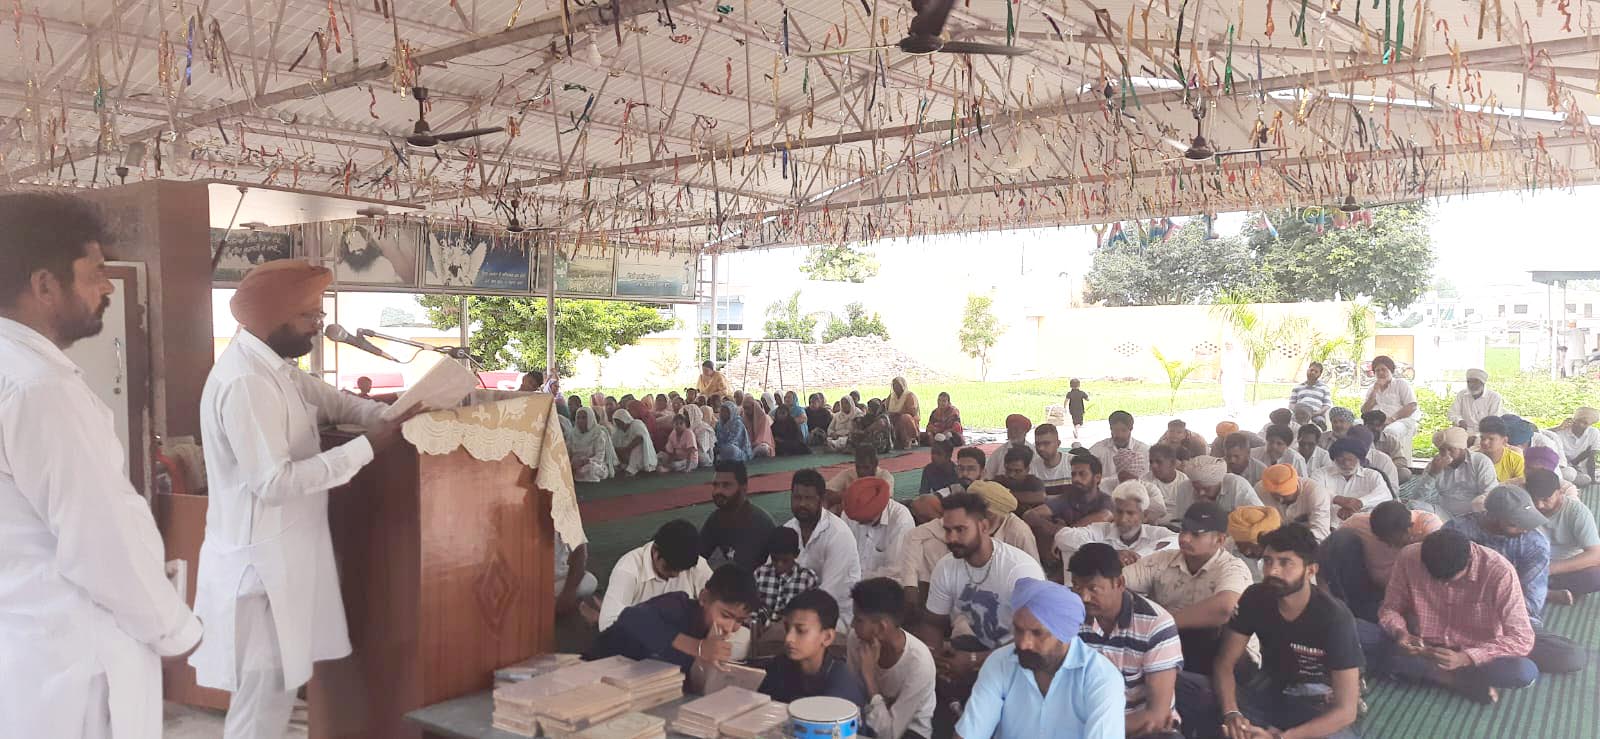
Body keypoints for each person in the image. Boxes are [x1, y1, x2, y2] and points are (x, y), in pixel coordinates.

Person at [190, 259, 423, 739]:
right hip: (258, 574)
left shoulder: (271, 367)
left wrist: (384, 414)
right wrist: (367, 448)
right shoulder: (247, 381)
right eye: (309, 314)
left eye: (318, 312)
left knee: (274, 695)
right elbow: (273, 483)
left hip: (278, 564)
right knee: (260, 704)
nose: (319, 323)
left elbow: (330, 399)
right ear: (273, 316)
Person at [0, 194, 204, 739]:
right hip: (73, 666)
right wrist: (177, 629)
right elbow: (101, 541)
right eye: (94, 274)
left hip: (26, 656)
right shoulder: (40, 389)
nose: (107, 288)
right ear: (45, 286)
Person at [1211, 525, 1363, 739]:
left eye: (1285, 563)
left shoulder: (1335, 617)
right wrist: (1232, 713)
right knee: (1201, 693)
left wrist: (1282, 737)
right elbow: (1225, 663)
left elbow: (1346, 711)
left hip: (1320, 705)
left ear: (1310, 570)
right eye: (1268, 561)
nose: (1272, 571)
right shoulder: (1255, 598)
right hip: (1271, 694)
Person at [1375, 529, 1537, 704]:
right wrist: (1401, 633)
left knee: (1522, 671)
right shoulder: (1409, 558)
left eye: (1450, 579)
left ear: (1469, 561)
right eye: (1435, 579)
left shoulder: (1499, 572)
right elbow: (1390, 608)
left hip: (1474, 650)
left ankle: (1430, 673)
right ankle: (1452, 679)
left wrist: (1466, 658)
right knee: (1361, 635)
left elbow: (1522, 638)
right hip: (1423, 646)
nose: (1442, 584)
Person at [954, 578, 1125, 739]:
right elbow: (970, 734)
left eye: (1037, 633)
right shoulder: (1000, 663)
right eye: (1019, 630)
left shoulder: (1101, 678)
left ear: (1064, 634)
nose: (1023, 644)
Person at [1446, 485, 1587, 676]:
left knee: (1570, 656)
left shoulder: (1534, 543)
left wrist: (1499, 628)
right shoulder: (1455, 531)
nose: (1525, 528)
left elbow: (1530, 603)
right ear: (1492, 517)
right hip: (1456, 614)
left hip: (1507, 618)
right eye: (1516, 523)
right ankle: (1477, 658)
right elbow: (1437, 582)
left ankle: (1469, 657)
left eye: (1527, 521)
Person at [919, 493, 1047, 703]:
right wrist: (935, 656)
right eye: (947, 530)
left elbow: (1038, 638)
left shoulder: (1018, 570)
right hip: (985, 646)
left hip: (1026, 654)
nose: (951, 538)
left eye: (960, 530)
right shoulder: (946, 567)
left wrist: (974, 660)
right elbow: (933, 622)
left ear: (984, 526)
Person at [1122, 503, 1254, 677]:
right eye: (1183, 530)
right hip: (1176, 646)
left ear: (1220, 540)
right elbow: (1118, 582)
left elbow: (1225, 608)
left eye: (1195, 534)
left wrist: (1160, 625)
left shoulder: (1233, 568)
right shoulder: (1162, 560)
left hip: (1228, 661)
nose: (1184, 538)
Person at [1069, 544, 1184, 739]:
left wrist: (1094, 731)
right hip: (1083, 722)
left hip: (1138, 729)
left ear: (1119, 583)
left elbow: (1157, 716)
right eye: (1077, 587)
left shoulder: (1155, 624)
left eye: (1093, 588)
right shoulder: (1069, 614)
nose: (1084, 597)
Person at [585, 564, 760, 675]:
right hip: (598, 668)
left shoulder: (710, 634)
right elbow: (630, 617)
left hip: (644, 685)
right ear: (704, 598)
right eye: (726, 616)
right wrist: (698, 647)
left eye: (739, 621)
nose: (730, 628)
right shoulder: (677, 605)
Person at [899, 483, 1041, 614]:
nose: (982, 519)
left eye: (988, 515)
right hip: (963, 592)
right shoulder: (960, 521)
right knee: (930, 546)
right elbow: (914, 535)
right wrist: (910, 586)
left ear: (1001, 514)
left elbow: (1036, 583)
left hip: (1006, 604)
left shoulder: (1019, 533)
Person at [1317, 501, 1441, 621]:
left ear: (1410, 528)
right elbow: (1326, 552)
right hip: (1365, 590)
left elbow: (1441, 575)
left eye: (1395, 541)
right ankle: (1343, 611)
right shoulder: (1359, 522)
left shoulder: (1429, 525)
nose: (1390, 546)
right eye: (1385, 541)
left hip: (1404, 599)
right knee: (1341, 538)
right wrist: (1324, 596)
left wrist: (1418, 546)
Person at [850, 578, 938, 739]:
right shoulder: (856, 640)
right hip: (867, 720)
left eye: (858, 620)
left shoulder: (919, 663)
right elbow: (852, 699)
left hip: (909, 732)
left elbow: (889, 735)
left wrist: (869, 677)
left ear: (881, 627)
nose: (852, 625)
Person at [758, 589, 870, 706]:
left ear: (827, 637)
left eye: (801, 630)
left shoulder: (841, 684)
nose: (788, 638)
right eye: (787, 629)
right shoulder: (779, 666)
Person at [598, 520, 714, 630]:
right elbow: (607, 624)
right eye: (668, 568)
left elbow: (717, 601)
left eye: (681, 570)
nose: (675, 575)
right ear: (655, 551)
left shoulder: (696, 565)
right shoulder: (628, 569)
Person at [788, 469, 864, 633]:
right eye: (797, 498)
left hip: (836, 618)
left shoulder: (838, 534)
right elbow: (772, 574)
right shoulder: (788, 529)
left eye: (808, 498)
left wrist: (787, 619)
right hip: (794, 612)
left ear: (822, 500)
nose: (802, 504)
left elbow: (827, 596)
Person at [1055, 481, 1177, 570]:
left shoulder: (1156, 533)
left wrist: (1139, 556)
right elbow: (1063, 536)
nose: (1123, 519)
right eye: (1119, 512)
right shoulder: (1101, 530)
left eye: (1130, 513)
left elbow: (1177, 540)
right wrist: (1109, 554)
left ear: (1144, 515)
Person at [1523, 468, 1600, 605]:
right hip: (1530, 566)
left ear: (1559, 492)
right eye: (1534, 500)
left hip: (1565, 569)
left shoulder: (1577, 512)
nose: (1539, 505)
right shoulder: (1524, 507)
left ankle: (1535, 591)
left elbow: (1595, 554)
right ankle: (1547, 594)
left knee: (1596, 576)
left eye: (1546, 499)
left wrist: (1551, 568)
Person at [1025, 455, 1115, 565]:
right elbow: (1029, 515)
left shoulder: (1106, 501)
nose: (1076, 479)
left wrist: (1062, 535)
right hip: (1064, 556)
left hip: (1095, 559)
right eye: (1073, 474)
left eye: (1082, 474)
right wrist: (1056, 530)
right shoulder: (1068, 497)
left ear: (1097, 478)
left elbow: (1103, 517)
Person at [698, 459, 777, 573]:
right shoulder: (716, 519)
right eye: (715, 485)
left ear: (744, 488)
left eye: (726, 485)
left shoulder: (758, 524)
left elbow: (742, 573)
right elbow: (696, 557)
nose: (718, 491)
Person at [752, 527, 821, 641]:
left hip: (792, 634)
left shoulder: (807, 579)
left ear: (796, 554)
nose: (779, 565)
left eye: (785, 561)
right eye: (775, 559)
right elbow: (752, 606)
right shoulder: (760, 574)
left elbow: (811, 615)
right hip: (760, 631)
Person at [845, 477, 917, 580]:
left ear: (880, 510)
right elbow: (842, 555)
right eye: (858, 520)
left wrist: (858, 579)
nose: (860, 524)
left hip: (884, 584)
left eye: (866, 520)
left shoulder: (901, 521)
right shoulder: (850, 513)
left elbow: (895, 571)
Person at [1416, 427, 1497, 517]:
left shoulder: (1480, 461)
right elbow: (1418, 497)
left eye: (1450, 449)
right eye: (1442, 450)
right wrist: (1433, 474)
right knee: (1413, 505)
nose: (1446, 454)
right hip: (1444, 514)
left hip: (1474, 516)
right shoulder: (1436, 464)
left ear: (1462, 448)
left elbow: (1490, 493)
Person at [1165, 456, 1261, 523]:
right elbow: (1180, 522)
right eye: (1196, 488)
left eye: (1206, 488)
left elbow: (1259, 517)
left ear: (1219, 482)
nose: (1201, 493)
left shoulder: (1237, 484)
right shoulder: (1184, 488)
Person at [1361, 355, 1420, 464]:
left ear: (1391, 371)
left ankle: (1394, 463)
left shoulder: (1400, 384)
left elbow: (1412, 406)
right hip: (1375, 421)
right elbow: (1364, 411)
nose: (1380, 373)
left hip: (1401, 420)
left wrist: (1392, 419)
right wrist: (1374, 392)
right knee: (1357, 427)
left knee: (1389, 432)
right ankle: (1370, 461)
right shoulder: (1372, 389)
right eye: (1377, 370)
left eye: (1384, 369)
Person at [1257, 464, 1331, 541]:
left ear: (1295, 488)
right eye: (1274, 495)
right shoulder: (1261, 490)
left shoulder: (1316, 492)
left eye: (1284, 495)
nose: (1280, 500)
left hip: (1307, 544)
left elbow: (1321, 533)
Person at [1092, 411, 1151, 482]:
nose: (1119, 435)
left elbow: (1146, 479)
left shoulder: (1143, 450)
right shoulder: (1099, 449)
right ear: (1110, 429)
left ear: (1131, 429)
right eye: (1116, 430)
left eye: (1123, 430)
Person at [567, 407, 618, 482]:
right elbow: (567, 452)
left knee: (590, 469)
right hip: (575, 464)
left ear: (590, 418)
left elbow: (599, 457)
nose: (580, 420)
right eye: (578, 418)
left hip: (593, 464)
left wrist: (584, 461)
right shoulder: (572, 434)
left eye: (584, 418)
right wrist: (571, 462)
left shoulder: (598, 433)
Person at [1554, 407, 1599, 486]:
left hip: (1578, 469)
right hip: (1561, 468)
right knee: (1569, 474)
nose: (1580, 424)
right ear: (1574, 418)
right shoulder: (1561, 431)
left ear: (1591, 424)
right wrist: (1557, 428)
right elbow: (1538, 434)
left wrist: (1593, 481)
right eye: (1578, 420)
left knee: (1586, 479)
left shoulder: (1594, 433)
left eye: (1585, 423)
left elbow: (1592, 458)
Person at [829, 445, 897, 496]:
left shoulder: (885, 477)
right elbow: (827, 491)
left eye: (866, 467)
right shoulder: (848, 474)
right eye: (858, 467)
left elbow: (883, 498)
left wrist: (848, 496)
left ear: (875, 464)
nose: (861, 471)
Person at [986, 414, 1036, 479]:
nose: (1012, 432)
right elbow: (988, 475)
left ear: (1025, 431)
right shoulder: (999, 453)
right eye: (1009, 429)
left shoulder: (1034, 452)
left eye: (1016, 429)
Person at [1477, 415, 1525, 485]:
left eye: (1491, 439)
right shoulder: (1474, 459)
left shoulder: (1515, 460)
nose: (1485, 442)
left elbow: (1522, 484)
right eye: (1482, 438)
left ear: (1504, 441)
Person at [997, 446, 1048, 510]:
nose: (1011, 475)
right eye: (1008, 470)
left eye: (1017, 471)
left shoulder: (1034, 482)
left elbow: (1041, 497)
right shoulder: (998, 481)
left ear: (1027, 469)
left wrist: (1004, 495)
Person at [1028, 423, 1074, 487]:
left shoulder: (1074, 463)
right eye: (1037, 444)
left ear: (1058, 444)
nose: (1041, 448)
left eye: (1046, 443)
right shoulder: (1031, 467)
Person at [887, 377, 922, 450]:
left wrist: (899, 413)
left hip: (909, 421)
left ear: (903, 385)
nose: (896, 387)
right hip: (894, 420)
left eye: (898, 385)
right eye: (894, 385)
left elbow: (913, 413)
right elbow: (886, 409)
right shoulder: (891, 397)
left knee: (905, 417)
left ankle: (908, 440)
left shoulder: (909, 396)